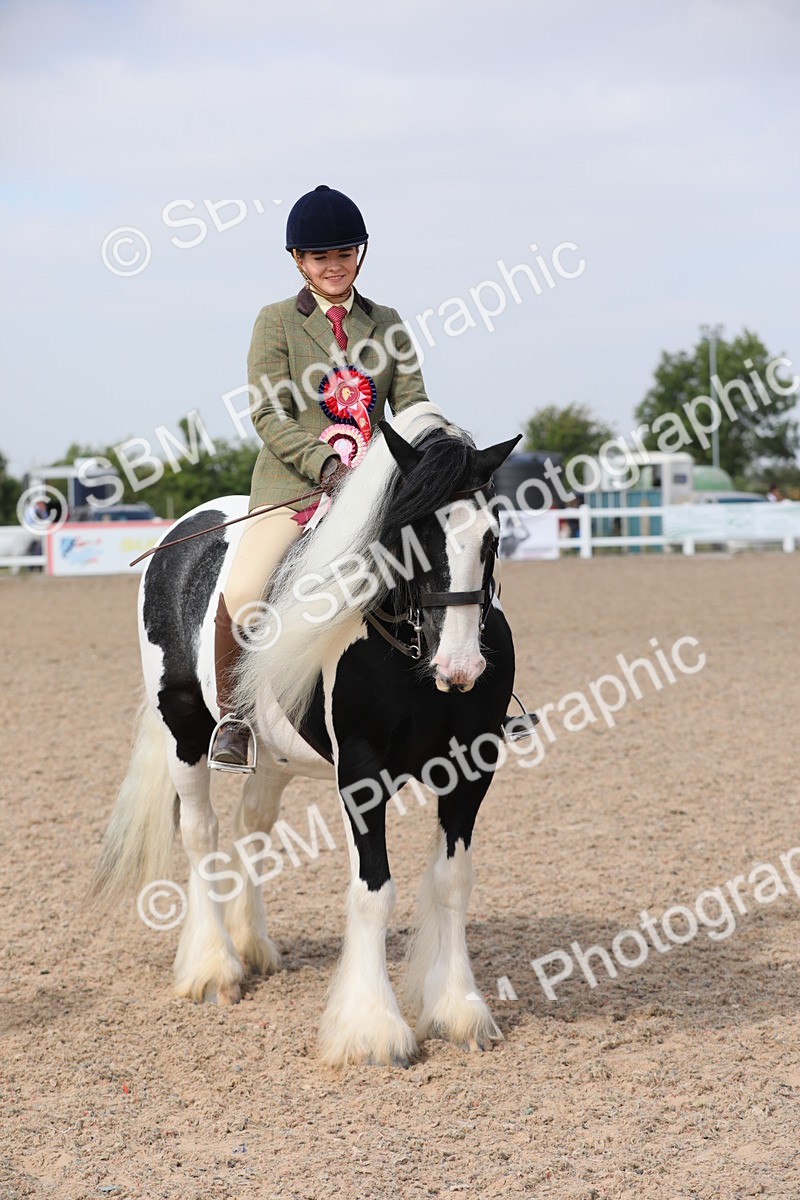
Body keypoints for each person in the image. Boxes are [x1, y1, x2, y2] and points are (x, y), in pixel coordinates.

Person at [209, 185, 429, 770]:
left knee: (445, 562)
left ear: (359, 254)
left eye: (344, 254)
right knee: (247, 589)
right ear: (299, 262)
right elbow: (267, 415)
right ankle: (235, 718)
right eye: (320, 257)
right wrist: (325, 464)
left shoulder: (388, 322)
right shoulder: (276, 322)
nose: (334, 267)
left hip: (378, 490)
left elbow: (411, 407)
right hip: (296, 489)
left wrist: (423, 459)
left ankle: (473, 697)